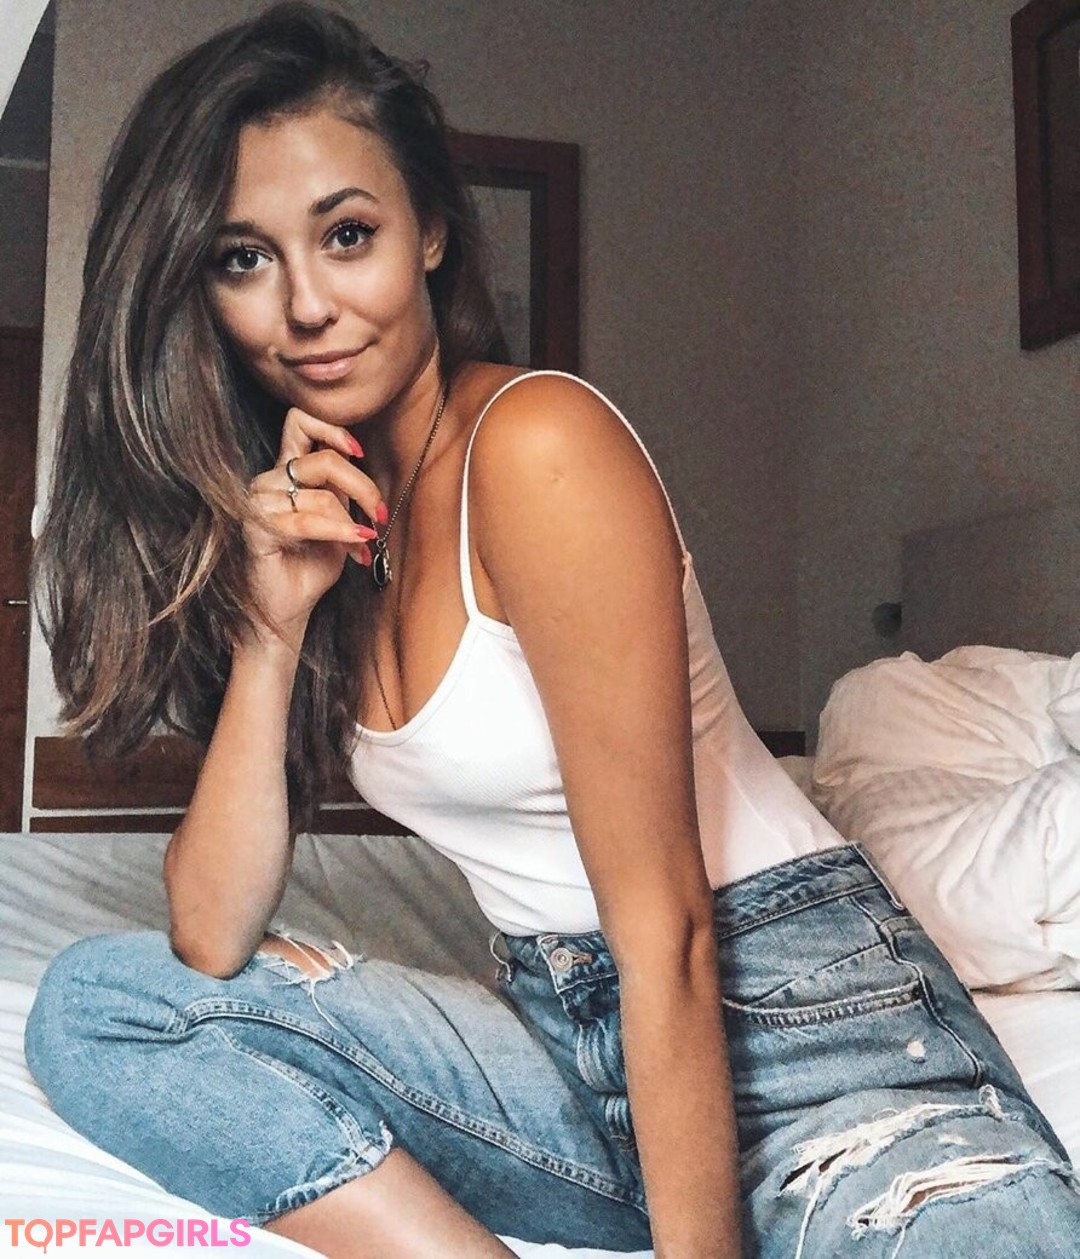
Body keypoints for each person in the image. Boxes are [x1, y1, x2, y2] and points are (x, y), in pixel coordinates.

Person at [23, 5, 1080, 1257]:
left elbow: (668, 928)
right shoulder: (328, 526)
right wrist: (270, 627)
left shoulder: (536, 445)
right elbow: (208, 934)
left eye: (347, 235)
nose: (305, 306)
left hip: (817, 1036)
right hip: (572, 1051)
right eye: (243, 258)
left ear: (429, 230)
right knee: (103, 1005)